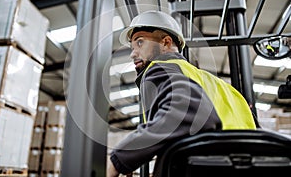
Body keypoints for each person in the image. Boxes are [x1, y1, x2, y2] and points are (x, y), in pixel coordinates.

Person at [107, 10, 257, 177]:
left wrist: (118, 160)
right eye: (132, 46)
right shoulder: (228, 89)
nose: (132, 53)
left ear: (166, 43)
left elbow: (188, 112)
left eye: (140, 42)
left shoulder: (159, 69)